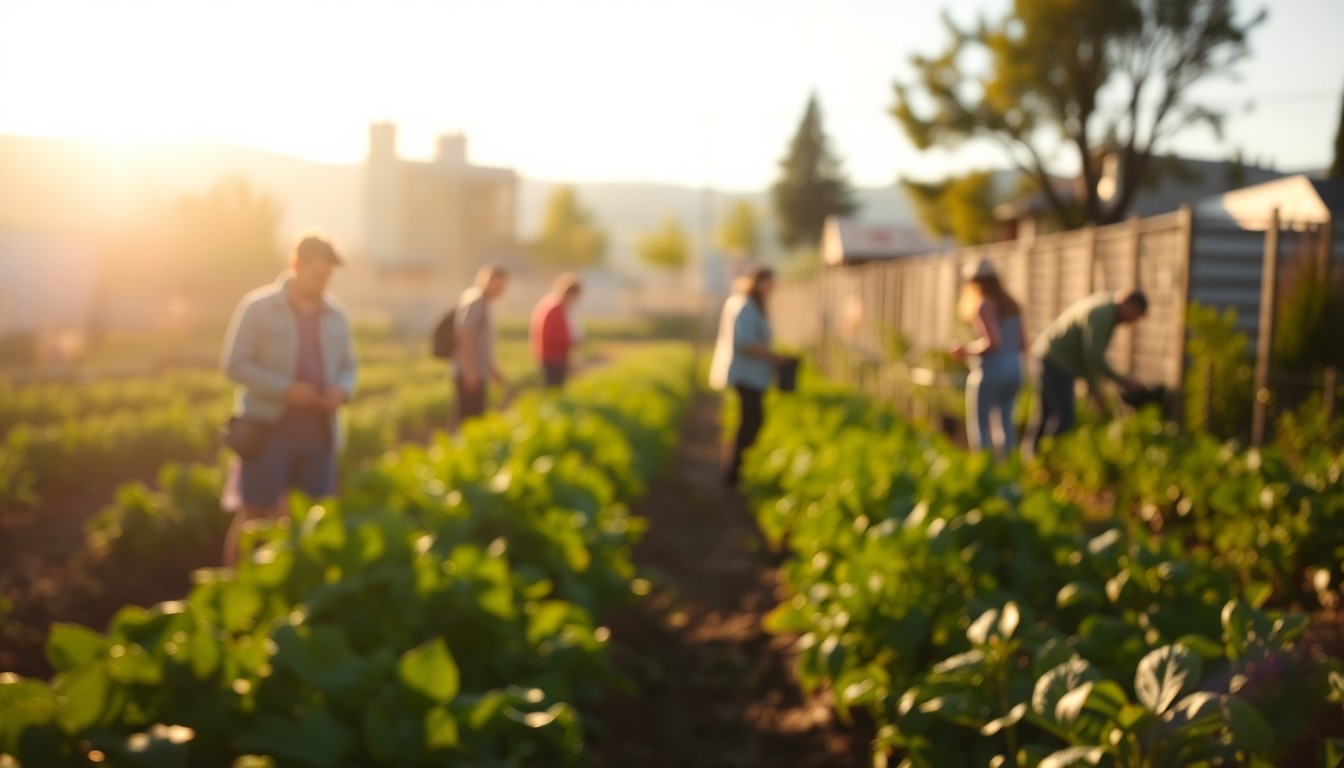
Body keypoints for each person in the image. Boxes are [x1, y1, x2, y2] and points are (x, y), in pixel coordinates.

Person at [220, 231, 356, 568]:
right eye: (316, 275)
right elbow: (235, 365)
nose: (323, 283)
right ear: (295, 265)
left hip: (319, 435)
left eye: (328, 276)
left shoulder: (336, 315)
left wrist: (341, 389)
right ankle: (235, 585)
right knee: (256, 516)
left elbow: (349, 366)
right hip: (267, 432)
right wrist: (285, 389)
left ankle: (293, 592)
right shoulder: (259, 307)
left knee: (310, 519)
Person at [1029, 289, 1148, 452]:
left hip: (1048, 356)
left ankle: (1032, 458)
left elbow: (1090, 356)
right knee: (1064, 419)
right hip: (1056, 362)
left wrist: (1093, 388)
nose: (1132, 322)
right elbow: (1093, 356)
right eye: (1136, 316)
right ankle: (1048, 459)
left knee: (1047, 414)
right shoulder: (1103, 314)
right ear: (1130, 305)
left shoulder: (1105, 307)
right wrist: (1118, 381)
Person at [709, 265, 785, 488]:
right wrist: (774, 356)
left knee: (751, 420)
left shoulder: (745, 303)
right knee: (752, 420)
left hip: (751, 374)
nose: (772, 288)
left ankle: (736, 470)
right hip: (746, 374)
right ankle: (734, 473)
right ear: (758, 283)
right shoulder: (745, 306)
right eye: (768, 283)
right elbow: (744, 342)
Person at [950, 259, 1025, 459]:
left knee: (980, 424)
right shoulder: (1012, 304)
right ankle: (1008, 472)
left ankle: (983, 472)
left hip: (992, 371)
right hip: (1015, 369)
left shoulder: (984, 305)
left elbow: (994, 342)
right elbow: (1022, 343)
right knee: (1006, 423)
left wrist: (964, 350)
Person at [454, 264, 509, 425]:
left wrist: (492, 370)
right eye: (498, 285)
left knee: (473, 420)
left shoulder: (480, 300)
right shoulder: (477, 300)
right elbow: (465, 333)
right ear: (487, 280)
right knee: (468, 422)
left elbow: (480, 343)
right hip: (471, 374)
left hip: (476, 371)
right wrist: (470, 370)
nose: (501, 290)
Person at [530, 272, 582, 388]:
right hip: (552, 356)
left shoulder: (555, 306)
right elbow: (552, 335)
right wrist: (571, 341)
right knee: (552, 389)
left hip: (554, 355)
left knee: (554, 388)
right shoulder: (554, 309)